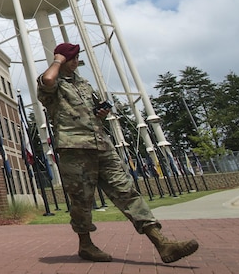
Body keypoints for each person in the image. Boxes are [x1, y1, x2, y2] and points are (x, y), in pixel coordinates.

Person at [37, 42, 199, 263]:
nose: (77, 61)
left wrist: (100, 113)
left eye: (76, 57)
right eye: (72, 57)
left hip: (101, 145)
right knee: (82, 201)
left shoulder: (84, 84)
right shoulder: (52, 81)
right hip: (74, 149)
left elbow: (92, 113)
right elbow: (47, 81)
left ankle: (162, 243)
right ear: (64, 59)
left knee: (126, 190)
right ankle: (85, 245)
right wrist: (57, 59)